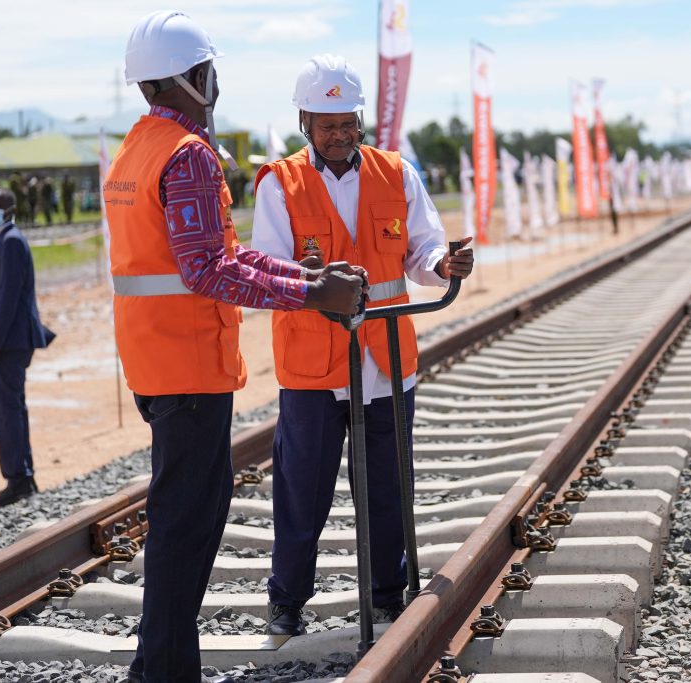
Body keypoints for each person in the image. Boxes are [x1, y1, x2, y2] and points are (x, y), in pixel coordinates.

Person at [106, 13, 365, 683]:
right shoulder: (187, 154)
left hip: (153, 358)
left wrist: (307, 278)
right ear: (196, 77)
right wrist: (314, 296)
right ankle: (159, 671)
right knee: (184, 525)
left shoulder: (135, 148)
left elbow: (219, 253)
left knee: (182, 516)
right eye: (211, 73)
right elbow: (209, 270)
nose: (215, 84)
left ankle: (166, 665)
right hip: (190, 363)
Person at [251, 53, 474, 636]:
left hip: (386, 361)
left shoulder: (396, 173)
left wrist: (443, 264)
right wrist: (304, 278)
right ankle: (286, 601)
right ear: (305, 122)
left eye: (348, 122)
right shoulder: (280, 184)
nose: (340, 134)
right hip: (314, 367)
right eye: (328, 125)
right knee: (303, 492)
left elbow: (420, 253)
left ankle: (386, 594)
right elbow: (269, 271)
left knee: (387, 489)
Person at [0, 188, 55, 507]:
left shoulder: (9, 242)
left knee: (7, 410)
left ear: (11, 210)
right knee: (11, 408)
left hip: (7, 343)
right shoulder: (2, 240)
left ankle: (18, 479)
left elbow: (7, 298)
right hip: (8, 341)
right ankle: (23, 476)